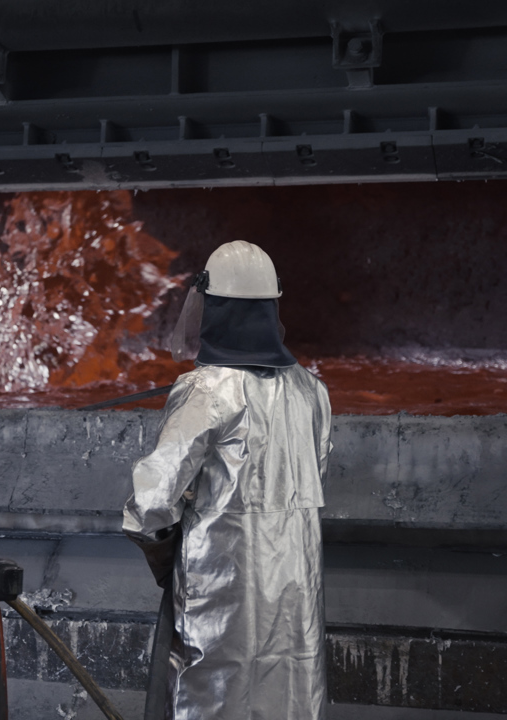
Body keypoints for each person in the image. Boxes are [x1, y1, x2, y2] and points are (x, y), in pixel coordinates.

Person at [123, 240, 332, 720]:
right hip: (293, 589)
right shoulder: (312, 391)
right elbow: (312, 477)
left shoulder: (203, 391)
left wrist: (162, 552)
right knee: (288, 695)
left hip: (218, 586)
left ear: (214, 309)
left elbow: (152, 502)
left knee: (211, 696)